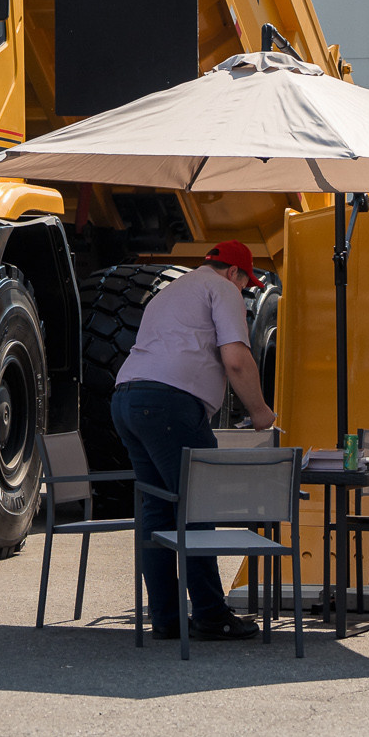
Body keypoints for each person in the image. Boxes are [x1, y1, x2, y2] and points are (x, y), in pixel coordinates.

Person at [109, 239, 276, 643]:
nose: (244, 289)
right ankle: (211, 614)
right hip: (169, 404)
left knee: (159, 510)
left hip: (127, 400)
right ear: (234, 272)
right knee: (197, 507)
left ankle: (166, 617)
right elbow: (236, 358)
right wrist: (260, 412)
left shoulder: (171, 291)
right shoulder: (221, 289)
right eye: (245, 281)